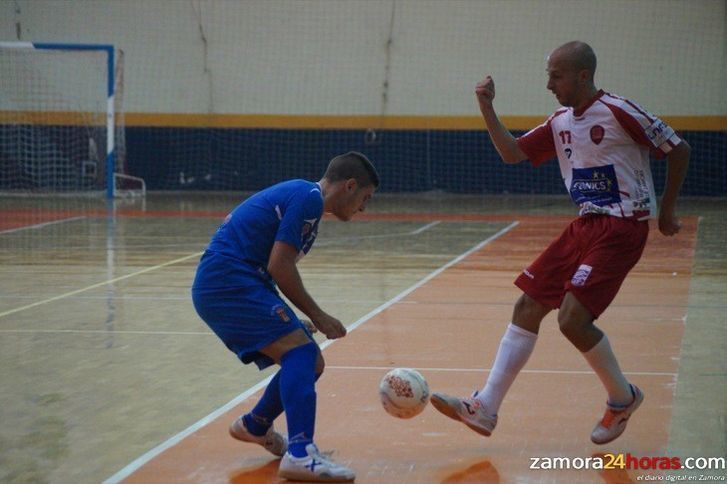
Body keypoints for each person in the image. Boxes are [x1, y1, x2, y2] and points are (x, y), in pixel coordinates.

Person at [431, 41, 690, 445]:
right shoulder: (560, 121)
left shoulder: (621, 111)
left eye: (556, 75)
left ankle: (622, 398)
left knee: (571, 320)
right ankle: (485, 408)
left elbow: (679, 150)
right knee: (527, 305)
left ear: (583, 75)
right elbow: (512, 153)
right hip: (584, 226)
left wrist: (668, 210)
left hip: (622, 229)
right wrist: (486, 107)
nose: (549, 83)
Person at [192, 151, 379, 481]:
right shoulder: (308, 198)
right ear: (350, 186)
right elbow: (280, 267)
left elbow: (268, 266)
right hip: (227, 281)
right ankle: (300, 454)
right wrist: (318, 316)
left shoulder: (308, 202)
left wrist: (291, 320)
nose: (364, 207)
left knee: (311, 362)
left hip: (235, 282)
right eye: (365, 198)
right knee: (303, 353)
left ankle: (255, 425)